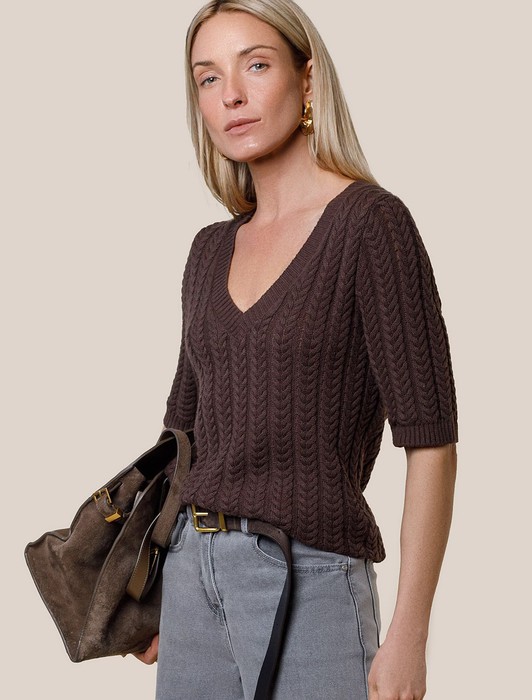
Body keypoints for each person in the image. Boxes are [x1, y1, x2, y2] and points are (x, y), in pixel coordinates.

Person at [134, 1, 458, 698]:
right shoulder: (209, 250)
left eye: (255, 65)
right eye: (208, 78)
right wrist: (153, 582)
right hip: (192, 577)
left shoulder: (371, 226)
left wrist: (410, 632)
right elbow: (181, 437)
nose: (232, 95)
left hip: (308, 577)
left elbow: (431, 441)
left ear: (307, 80)